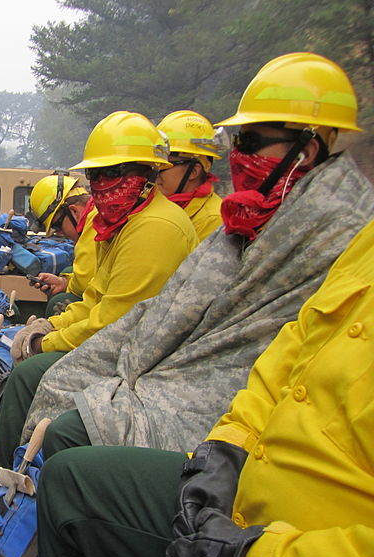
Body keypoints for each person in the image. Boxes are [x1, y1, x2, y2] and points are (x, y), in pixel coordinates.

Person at [22, 52, 372, 470]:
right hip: (159, 368)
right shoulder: (241, 224)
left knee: (63, 427)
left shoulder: (329, 238)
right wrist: (58, 331)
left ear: (306, 151)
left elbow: (221, 345)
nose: (237, 157)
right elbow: (140, 309)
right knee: (51, 384)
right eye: (95, 177)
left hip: (218, 407)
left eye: (250, 142)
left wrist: (56, 343)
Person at [37, 212, 374, 557]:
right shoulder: (366, 242)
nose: (101, 187)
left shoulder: (159, 228)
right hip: (247, 476)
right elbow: (282, 364)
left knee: (63, 430)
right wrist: (224, 455)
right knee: (70, 471)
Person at [0, 111, 199, 487]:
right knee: (31, 359)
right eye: (95, 176)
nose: (100, 186)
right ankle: (10, 458)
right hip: (121, 338)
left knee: (28, 374)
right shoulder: (126, 223)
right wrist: (49, 325)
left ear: (149, 175)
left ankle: (0, 475)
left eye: (114, 174)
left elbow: (114, 323)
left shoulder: (154, 229)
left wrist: (44, 343)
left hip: (142, 355)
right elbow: (93, 299)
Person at [25, 173, 95, 317]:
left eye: (57, 226)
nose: (60, 233)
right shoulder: (96, 217)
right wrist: (63, 282)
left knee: (59, 302)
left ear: (74, 211)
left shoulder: (93, 228)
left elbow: (84, 284)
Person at [156, 109, 226, 240]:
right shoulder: (160, 207)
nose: (155, 173)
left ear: (194, 172)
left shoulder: (212, 221)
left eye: (164, 165)